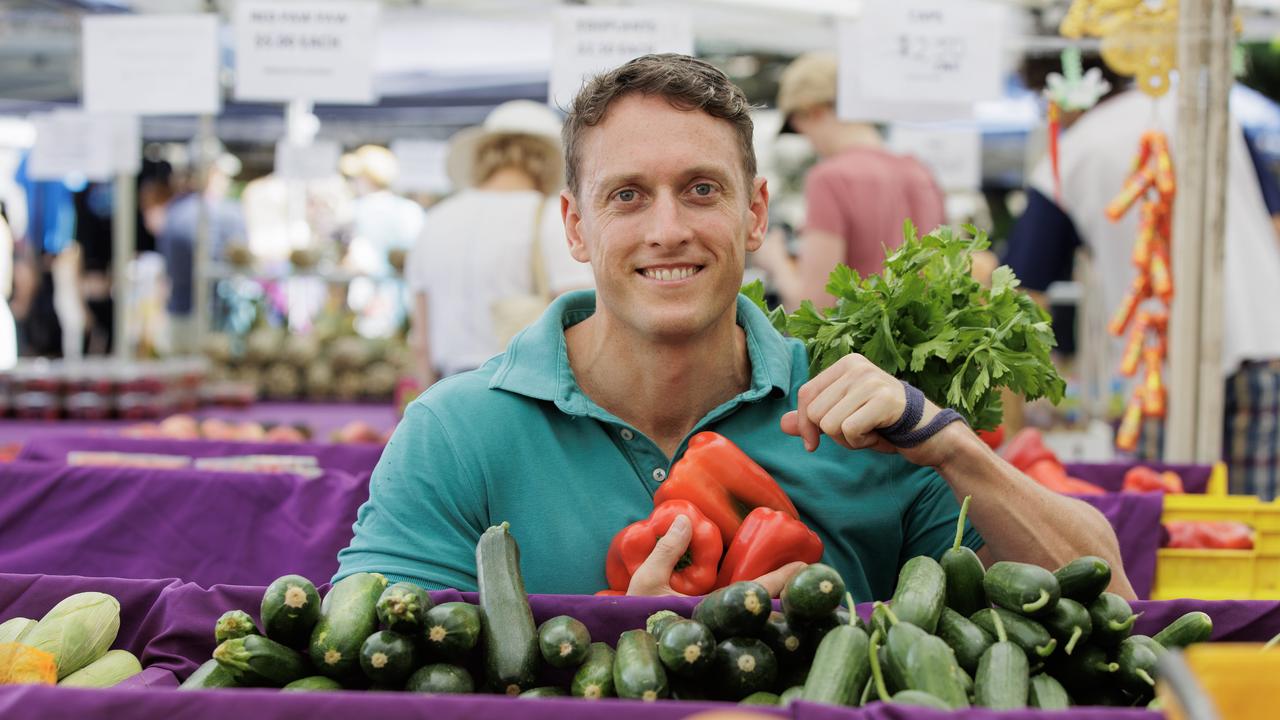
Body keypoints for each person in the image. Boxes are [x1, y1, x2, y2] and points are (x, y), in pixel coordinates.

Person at [336, 54, 1131, 600]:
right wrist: (622, 656)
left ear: (755, 214)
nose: (668, 228)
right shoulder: (457, 430)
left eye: (703, 189)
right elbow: (372, 665)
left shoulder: (865, 417)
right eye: (627, 196)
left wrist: (949, 443)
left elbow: (1108, 600)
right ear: (575, 227)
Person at [1004, 87, 1280, 499]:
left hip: (1157, 375)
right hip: (1265, 344)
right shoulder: (1208, 114)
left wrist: (1011, 435)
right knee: (1258, 526)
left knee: (1162, 524)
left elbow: (1020, 301)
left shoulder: (1071, 156)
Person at [403, 100, 594, 386]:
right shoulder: (548, 218)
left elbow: (420, 337)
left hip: (447, 387)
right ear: (549, 160)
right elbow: (580, 312)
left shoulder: (436, 220)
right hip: (521, 387)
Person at [753, 52, 946, 310]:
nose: (806, 139)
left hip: (858, 347)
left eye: (799, 125)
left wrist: (775, 261)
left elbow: (815, 306)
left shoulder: (830, 179)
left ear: (813, 110)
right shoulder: (921, 173)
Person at [154, 153, 246, 354]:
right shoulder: (228, 212)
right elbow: (241, 261)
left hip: (178, 313)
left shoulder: (174, 210)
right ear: (213, 174)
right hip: (215, 321)